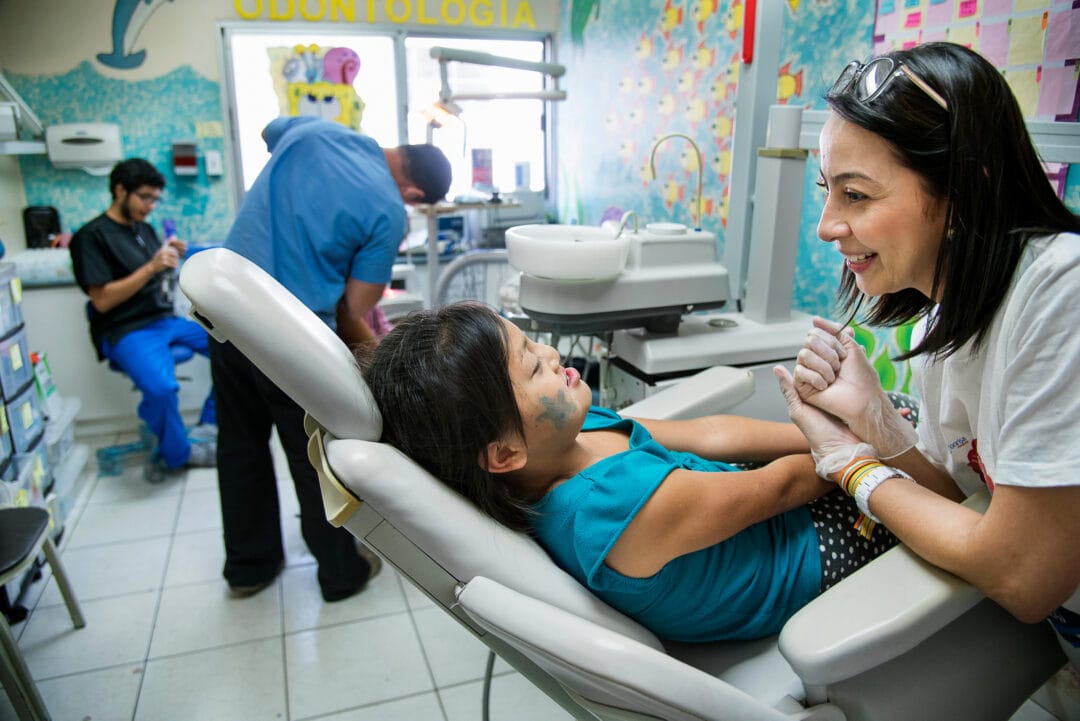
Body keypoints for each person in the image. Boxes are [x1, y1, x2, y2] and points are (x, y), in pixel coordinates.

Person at [773, 42, 1080, 667]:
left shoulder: (1062, 292)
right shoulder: (946, 321)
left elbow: (1022, 575)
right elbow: (963, 504)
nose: (828, 225)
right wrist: (878, 423)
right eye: (828, 190)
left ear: (965, 191)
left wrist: (852, 467)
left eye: (856, 195)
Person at [359, 301, 898, 641]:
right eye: (530, 366)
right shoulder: (609, 511)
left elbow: (711, 435)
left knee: (896, 417)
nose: (550, 353)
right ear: (502, 454)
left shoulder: (571, 432)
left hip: (768, 504)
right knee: (917, 453)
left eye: (530, 342)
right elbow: (777, 487)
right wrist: (861, 447)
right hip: (801, 560)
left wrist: (837, 433)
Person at [211, 115, 452, 601]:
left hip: (222, 304)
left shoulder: (311, 131)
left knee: (239, 446)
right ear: (411, 192)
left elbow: (267, 132)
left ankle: (249, 568)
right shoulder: (388, 211)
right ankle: (340, 572)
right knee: (312, 456)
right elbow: (352, 310)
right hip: (287, 336)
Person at [69, 158, 216, 473]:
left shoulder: (144, 230)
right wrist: (151, 266)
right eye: (145, 197)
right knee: (162, 390)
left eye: (155, 199)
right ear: (120, 191)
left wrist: (172, 254)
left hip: (165, 320)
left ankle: (209, 424)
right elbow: (102, 301)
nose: (150, 206)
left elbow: (155, 276)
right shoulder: (91, 236)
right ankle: (179, 455)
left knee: (234, 347)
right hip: (128, 328)